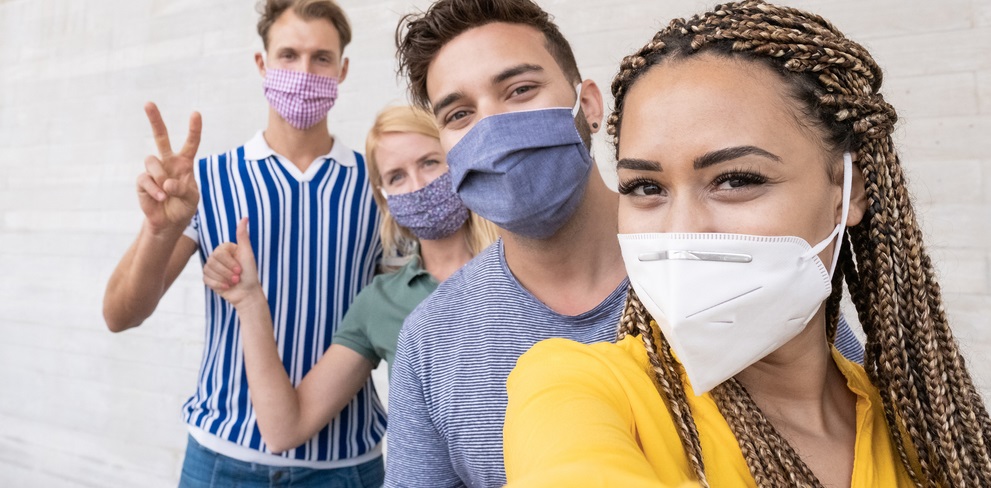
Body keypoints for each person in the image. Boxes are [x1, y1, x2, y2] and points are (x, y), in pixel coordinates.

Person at [503, 1, 991, 486]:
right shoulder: (578, 390)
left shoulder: (927, 439)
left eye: (736, 179)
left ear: (848, 193)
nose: (681, 230)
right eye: (646, 188)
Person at [388, 1, 865, 487]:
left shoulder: (739, 273)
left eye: (520, 90)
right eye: (459, 114)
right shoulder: (431, 339)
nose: (491, 130)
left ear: (589, 105)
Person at [102, 1, 387, 485]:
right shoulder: (206, 181)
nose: (304, 72)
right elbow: (120, 314)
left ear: (342, 70)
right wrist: (159, 228)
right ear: (262, 64)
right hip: (220, 462)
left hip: (345, 468)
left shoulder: (381, 185)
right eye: (288, 55)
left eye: (321, 58)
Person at [200, 105, 497, 455]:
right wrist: (249, 301)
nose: (417, 185)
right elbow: (284, 429)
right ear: (385, 198)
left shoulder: (523, 261)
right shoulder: (381, 302)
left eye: (430, 162)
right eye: (396, 176)